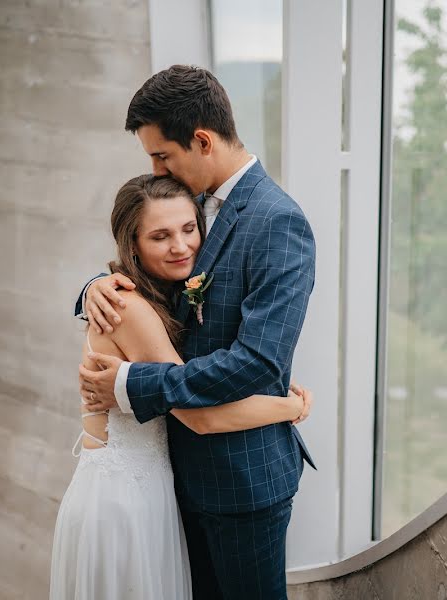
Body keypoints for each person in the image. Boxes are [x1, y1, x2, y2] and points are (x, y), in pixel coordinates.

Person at [76, 65, 316, 599]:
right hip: (176, 478)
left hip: (242, 482)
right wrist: (96, 285)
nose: (160, 168)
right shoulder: (199, 204)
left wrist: (133, 384)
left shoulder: (277, 222)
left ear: (201, 140)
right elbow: (157, 275)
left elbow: (258, 362)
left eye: (163, 155)